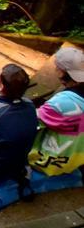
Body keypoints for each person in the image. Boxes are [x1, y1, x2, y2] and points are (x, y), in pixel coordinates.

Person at [27, 44, 84, 180]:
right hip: (79, 156)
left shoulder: (61, 103)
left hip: (53, 161)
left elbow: (30, 121)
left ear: (61, 71)